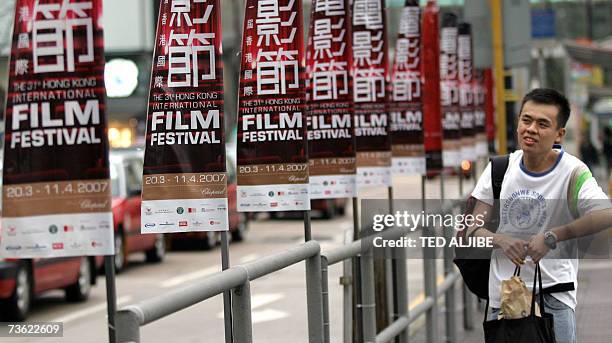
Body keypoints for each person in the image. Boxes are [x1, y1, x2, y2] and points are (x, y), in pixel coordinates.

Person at [466, 88, 612, 343]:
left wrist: (554, 236)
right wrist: (501, 240)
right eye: (526, 120)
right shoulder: (499, 169)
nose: (531, 129)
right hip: (504, 300)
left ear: (559, 134)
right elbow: (472, 230)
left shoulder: (573, 172)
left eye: (542, 124)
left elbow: (605, 213)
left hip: (554, 297)